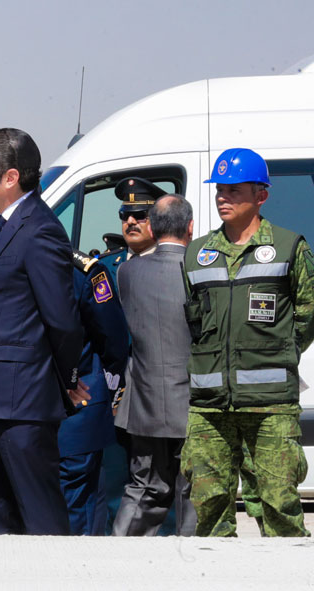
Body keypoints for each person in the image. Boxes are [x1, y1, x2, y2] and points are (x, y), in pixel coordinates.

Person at [181, 147, 314, 537]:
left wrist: (278, 351)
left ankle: (291, 585)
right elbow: (194, 319)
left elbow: (312, 311)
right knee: (208, 507)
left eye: (234, 190)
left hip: (271, 404)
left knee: (279, 502)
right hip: (210, 405)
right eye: (219, 191)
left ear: (260, 195)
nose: (223, 198)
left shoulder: (288, 246)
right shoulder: (198, 254)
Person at [0, 128, 87, 535]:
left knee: (38, 514)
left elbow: (62, 319)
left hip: (22, 401)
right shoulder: (2, 224)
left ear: (10, 177)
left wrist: (67, 379)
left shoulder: (40, 229)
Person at [113, 194, 196, 536]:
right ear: (191, 228)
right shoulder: (197, 271)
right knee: (193, 491)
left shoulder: (127, 271)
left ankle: (119, 553)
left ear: (153, 226)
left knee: (143, 487)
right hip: (194, 401)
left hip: (144, 401)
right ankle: (192, 561)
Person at [59, 245, 131, 535]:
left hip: (81, 397)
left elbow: (112, 338)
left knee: (79, 497)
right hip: (27, 401)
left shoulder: (86, 270)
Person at [116, 177, 164, 259]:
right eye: (125, 215)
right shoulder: (104, 265)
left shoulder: (173, 263)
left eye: (139, 215)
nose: (130, 221)